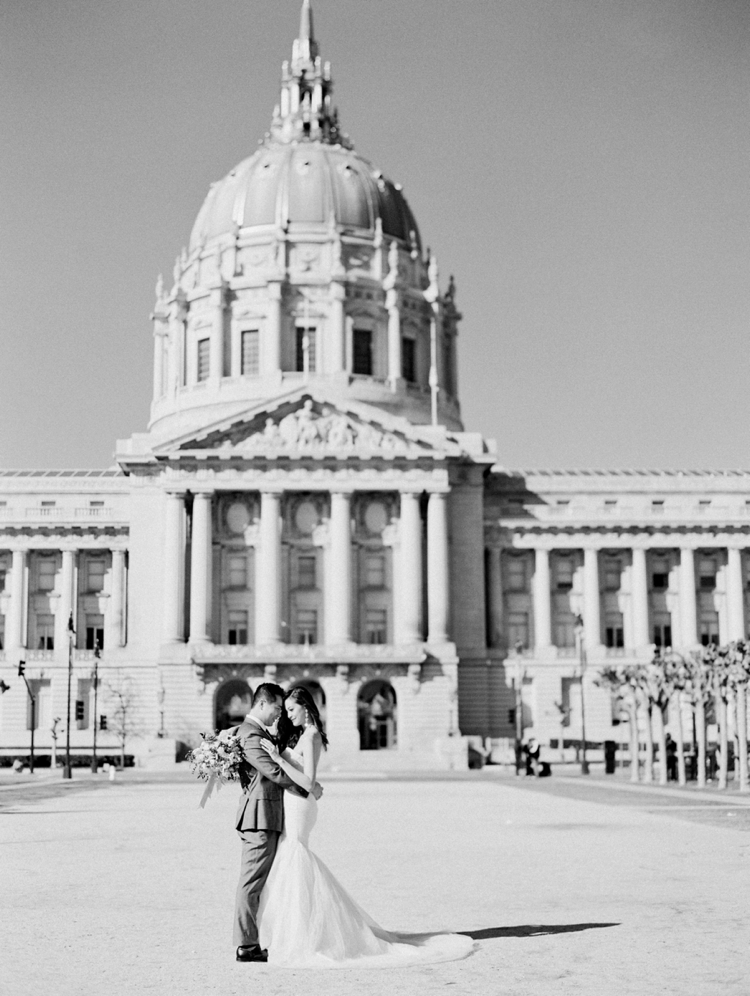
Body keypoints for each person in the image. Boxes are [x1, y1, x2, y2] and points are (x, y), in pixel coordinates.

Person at [255, 685, 475, 968]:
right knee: (292, 860)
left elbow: (308, 781)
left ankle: (304, 935)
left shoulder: (310, 737)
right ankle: (297, 932)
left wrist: (276, 759)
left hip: (300, 804)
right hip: (295, 801)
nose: (288, 715)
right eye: (286, 710)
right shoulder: (302, 735)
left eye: (292, 710)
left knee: (296, 858)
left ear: (306, 708)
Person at [233, 683, 324, 963]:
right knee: (254, 880)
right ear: (263, 703)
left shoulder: (255, 731)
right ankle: (247, 945)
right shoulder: (250, 733)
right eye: (277, 708)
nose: (280, 715)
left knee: (281, 875)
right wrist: (307, 788)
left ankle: (280, 937)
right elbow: (273, 771)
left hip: (276, 812)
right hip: (262, 815)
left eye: (288, 709)